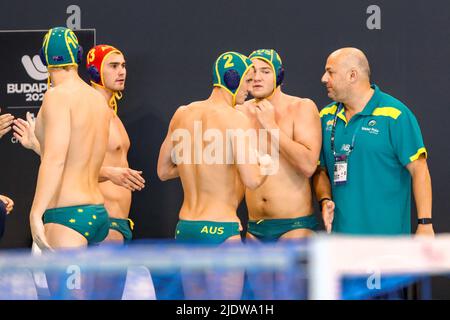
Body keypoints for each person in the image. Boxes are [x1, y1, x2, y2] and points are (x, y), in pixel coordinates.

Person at [157, 51, 272, 299]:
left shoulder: (183, 113)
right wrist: (265, 164)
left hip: (186, 228)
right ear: (233, 79)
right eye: (248, 81)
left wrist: (197, 164)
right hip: (220, 230)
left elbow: (163, 171)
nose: (250, 89)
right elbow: (252, 180)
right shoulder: (236, 119)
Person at [27, 27, 111, 298]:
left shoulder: (57, 96)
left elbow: (55, 159)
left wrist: (35, 213)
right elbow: (80, 155)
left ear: (43, 58)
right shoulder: (98, 101)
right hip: (97, 214)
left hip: (67, 218)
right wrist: (36, 143)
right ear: (77, 55)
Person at [313, 47, 433, 237]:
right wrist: (324, 199)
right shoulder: (326, 116)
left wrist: (425, 223)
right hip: (340, 242)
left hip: (388, 242)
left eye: (330, 72)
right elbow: (319, 170)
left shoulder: (394, 114)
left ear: (352, 75)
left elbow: (419, 169)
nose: (324, 79)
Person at [237, 49, 322, 242]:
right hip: (254, 228)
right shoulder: (239, 111)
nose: (257, 78)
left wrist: (271, 126)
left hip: (294, 227)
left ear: (279, 75)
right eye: (252, 72)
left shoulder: (301, 107)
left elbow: (309, 165)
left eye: (265, 71)